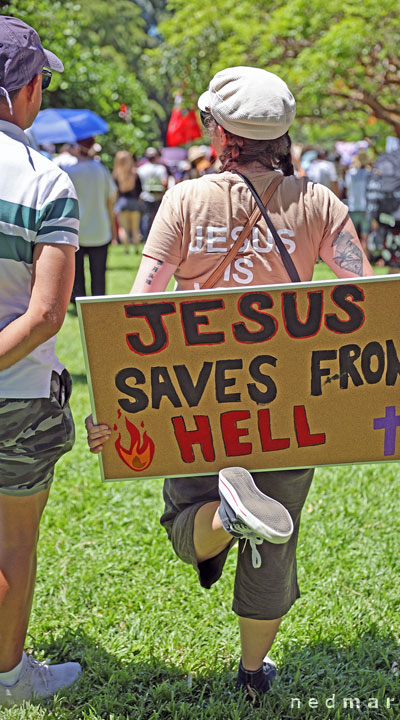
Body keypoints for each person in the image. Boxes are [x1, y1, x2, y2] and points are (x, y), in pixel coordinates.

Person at [86, 66, 400, 700]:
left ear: (218, 132)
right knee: (279, 536)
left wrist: (111, 404)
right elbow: (376, 309)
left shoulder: (185, 200)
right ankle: (251, 675)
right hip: (291, 405)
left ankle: (224, 515)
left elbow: (135, 313)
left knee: (187, 519)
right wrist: (396, 398)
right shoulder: (319, 203)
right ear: (283, 133)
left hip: (196, 401)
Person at [0, 15, 81, 707]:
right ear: (24, 90)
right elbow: (47, 314)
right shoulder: (45, 179)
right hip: (19, 394)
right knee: (11, 542)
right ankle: (11, 676)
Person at [66, 137, 117, 300]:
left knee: (77, 273)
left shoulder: (70, 171)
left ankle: (79, 301)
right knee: (99, 273)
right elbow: (111, 198)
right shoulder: (100, 169)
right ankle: (99, 303)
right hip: (100, 228)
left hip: (76, 230)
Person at [112, 150, 143, 254]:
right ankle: (137, 249)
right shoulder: (135, 173)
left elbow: (114, 191)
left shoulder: (116, 175)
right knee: (135, 228)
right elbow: (140, 190)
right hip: (134, 202)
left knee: (123, 228)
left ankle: (126, 249)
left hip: (121, 202)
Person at [137, 146, 168, 238]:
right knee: (158, 218)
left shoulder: (141, 169)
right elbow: (164, 182)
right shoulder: (160, 168)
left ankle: (146, 237)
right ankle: (156, 237)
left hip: (144, 196)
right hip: (158, 196)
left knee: (146, 217)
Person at [344, 150, 372, 253]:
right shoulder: (369, 174)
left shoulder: (350, 173)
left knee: (353, 238)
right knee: (365, 237)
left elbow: (347, 189)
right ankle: (366, 260)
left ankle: (353, 261)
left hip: (353, 206)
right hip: (366, 207)